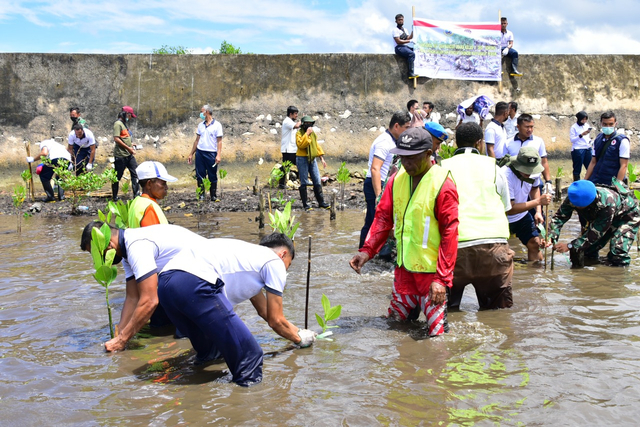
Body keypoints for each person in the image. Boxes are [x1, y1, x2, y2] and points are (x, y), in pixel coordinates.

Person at [158, 233, 317, 387]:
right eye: (288, 265)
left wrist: (297, 330)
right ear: (283, 254)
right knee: (250, 357)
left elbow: (265, 313)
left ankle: (200, 399)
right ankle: (247, 406)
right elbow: (276, 320)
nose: (286, 270)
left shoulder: (248, 258)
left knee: (211, 353)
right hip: (196, 283)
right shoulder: (274, 262)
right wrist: (299, 339)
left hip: (166, 285)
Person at [349, 127, 459, 337]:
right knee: (395, 328)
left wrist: (442, 279)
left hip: (431, 276)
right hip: (404, 273)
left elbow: (450, 234)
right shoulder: (396, 180)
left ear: (428, 154)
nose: (405, 163)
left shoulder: (443, 184)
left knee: (437, 337)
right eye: (402, 157)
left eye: (411, 158)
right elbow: (382, 218)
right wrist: (367, 251)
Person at [80, 222, 208, 352]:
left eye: (97, 254)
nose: (98, 261)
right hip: (190, 276)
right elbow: (132, 298)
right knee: (157, 320)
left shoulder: (136, 246)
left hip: (207, 272)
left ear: (108, 244)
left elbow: (150, 301)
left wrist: (122, 340)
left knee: (165, 293)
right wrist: (119, 334)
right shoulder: (126, 252)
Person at [442, 123, 514, 309]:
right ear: (480, 143)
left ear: (456, 143)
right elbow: (506, 206)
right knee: (497, 313)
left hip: (455, 246)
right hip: (493, 246)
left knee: (447, 310)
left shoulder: (442, 167)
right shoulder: (494, 167)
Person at [549, 180, 640, 267]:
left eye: (580, 206)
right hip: (603, 219)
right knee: (585, 250)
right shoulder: (573, 197)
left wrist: (569, 245)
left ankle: (618, 276)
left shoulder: (606, 204)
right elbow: (559, 217)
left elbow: (596, 233)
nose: (577, 207)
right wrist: (551, 236)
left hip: (627, 217)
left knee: (618, 253)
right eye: (575, 205)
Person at [359, 111, 411, 248]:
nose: (408, 131)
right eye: (406, 127)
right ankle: (363, 250)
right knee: (372, 220)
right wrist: (379, 195)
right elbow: (375, 168)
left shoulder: (392, 140)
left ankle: (372, 250)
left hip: (383, 183)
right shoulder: (384, 142)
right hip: (376, 184)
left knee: (378, 220)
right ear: (396, 126)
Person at [503, 147, 552, 262]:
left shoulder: (534, 172)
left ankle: (535, 277)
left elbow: (534, 188)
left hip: (522, 215)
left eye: (532, 170)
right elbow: (510, 208)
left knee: (535, 244)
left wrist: (538, 212)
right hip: (503, 218)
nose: (529, 173)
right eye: (526, 170)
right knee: (502, 252)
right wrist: (538, 201)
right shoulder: (505, 175)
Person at [506, 113, 553, 193]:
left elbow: (544, 161)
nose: (530, 130)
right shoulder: (508, 143)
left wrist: (548, 181)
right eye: (527, 127)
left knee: (537, 203)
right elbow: (506, 163)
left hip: (534, 181)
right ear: (518, 127)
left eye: (531, 127)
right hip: (515, 181)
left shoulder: (538, 141)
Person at [188, 104, 224, 201]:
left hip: (211, 153)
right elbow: (197, 140)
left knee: (212, 174)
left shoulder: (217, 125)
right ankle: (201, 195)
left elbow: (219, 141)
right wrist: (191, 153)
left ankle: (213, 195)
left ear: (207, 112)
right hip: (200, 153)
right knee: (200, 175)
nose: (201, 114)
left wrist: (218, 155)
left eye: (202, 111)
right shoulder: (201, 125)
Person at [584, 111, 630, 186]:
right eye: (605, 124)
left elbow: (623, 165)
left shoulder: (622, 141)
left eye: (611, 124)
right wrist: (585, 180)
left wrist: (617, 186)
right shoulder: (598, 139)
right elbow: (593, 162)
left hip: (611, 182)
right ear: (601, 124)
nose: (608, 127)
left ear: (616, 124)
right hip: (596, 180)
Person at [296, 116, 330, 211]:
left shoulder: (313, 134)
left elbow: (316, 146)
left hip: (312, 158)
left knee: (317, 179)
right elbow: (301, 144)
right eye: (306, 123)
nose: (308, 125)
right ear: (303, 125)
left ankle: (321, 202)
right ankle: (306, 204)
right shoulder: (299, 134)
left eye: (310, 123)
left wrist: (322, 158)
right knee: (304, 181)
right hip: (302, 158)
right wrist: (307, 134)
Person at [128, 161, 176, 228]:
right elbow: (152, 237)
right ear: (149, 184)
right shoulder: (149, 208)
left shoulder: (136, 202)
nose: (166, 187)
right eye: (163, 184)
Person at [112, 108, 139, 201]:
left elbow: (124, 138)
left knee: (135, 173)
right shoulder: (118, 124)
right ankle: (115, 196)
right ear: (126, 114)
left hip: (129, 155)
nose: (130, 118)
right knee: (117, 176)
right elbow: (117, 139)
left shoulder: (124, 124)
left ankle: (136, 195)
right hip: (121, 155)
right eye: (130, 115)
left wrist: (131, 144)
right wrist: (129, 148)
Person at [280, 106, 301, 189]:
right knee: (287, 166)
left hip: (291, 149)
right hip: (288, 149)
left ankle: (282, 183)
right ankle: (282, 183)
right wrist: (302, 121)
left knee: (286, 166)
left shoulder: (290, 122)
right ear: (290, 114)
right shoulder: (287, 121)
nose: (296, 115)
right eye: (295, 114)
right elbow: (296, 126)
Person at [569, 111, 593, 182]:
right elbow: (572, 140)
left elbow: (587, 138)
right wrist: (581, 135)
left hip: (587, 148)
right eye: (583, 119)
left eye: (585, 119)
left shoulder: (586, 125)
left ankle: (590, 182)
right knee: (577, 168)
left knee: (590, 167)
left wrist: (591, 142)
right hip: (578, 149)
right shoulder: (573, 127)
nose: (584, 121)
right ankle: (577, 183)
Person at [393, 14, 416, 78]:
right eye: (399, 20)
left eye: (402, 20)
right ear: (396, 21)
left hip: (405, 47)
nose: (401, 21)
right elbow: (398, 41)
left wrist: (413, 30)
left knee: (416, 51)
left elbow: (408, 38)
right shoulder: (395, 30)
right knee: (411, 54)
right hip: (399, 47)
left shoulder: (405, 30)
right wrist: (410, 41)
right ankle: (411, 73)